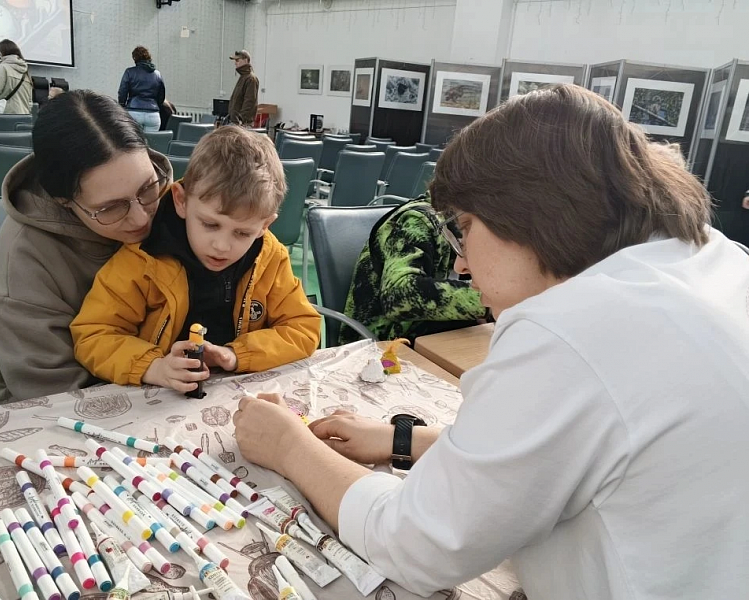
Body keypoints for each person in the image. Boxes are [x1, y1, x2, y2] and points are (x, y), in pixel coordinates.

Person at [233, 85, 749, 600]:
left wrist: (287, 444)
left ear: (524, 213)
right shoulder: (717, 258)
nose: (460, 263)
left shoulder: (570, 328)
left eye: (465, 229)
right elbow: (555, 452)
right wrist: (403, 439)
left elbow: (418, 544)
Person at [70, 127, 320, 393]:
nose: (222, 246)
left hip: (233, 393)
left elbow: (303, 329)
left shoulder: (270, 258)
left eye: (242, 232)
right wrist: (153, 366)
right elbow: (94, 334)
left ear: (264, 226)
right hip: (156, 398)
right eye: (210, 224)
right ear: (181, 201)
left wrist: (236, 355)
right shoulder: (142, 258)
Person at [0, 90, 172, 405]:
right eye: (111, 208)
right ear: (64, 202)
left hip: (162, 385)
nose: (142, 217)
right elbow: (54, 393)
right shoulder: (23, 261)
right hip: (59, 408)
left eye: (147, 187)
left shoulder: (173, 201)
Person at [340, 194, 487, 345]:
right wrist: (488, 300)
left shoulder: (464, 224)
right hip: (381, 343)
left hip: (428, 333)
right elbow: (398, 296)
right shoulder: (416, 221)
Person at [118, 45, 166, 132]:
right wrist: (156, 105)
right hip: (153, 114)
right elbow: (161, 95)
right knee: (150, 144)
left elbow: (122, 91)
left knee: (135, 143)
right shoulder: (157, 74)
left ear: (135, 58)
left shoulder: (129, 72)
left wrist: (121, 106)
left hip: (134, 112)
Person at [0, 39, 32, 114]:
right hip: (23, 115)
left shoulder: (2, 68)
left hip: (6, 115)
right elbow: (29, 100)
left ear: (1, 53)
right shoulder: (25, 72)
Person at [225, 49, 259, 126]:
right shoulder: (243, 77)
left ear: (246, 60)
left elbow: (250, 102)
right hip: (236, 122)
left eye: (237, 60)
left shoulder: (250, 78)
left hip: (242, 124)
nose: (235, 63)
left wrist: (241, 119)